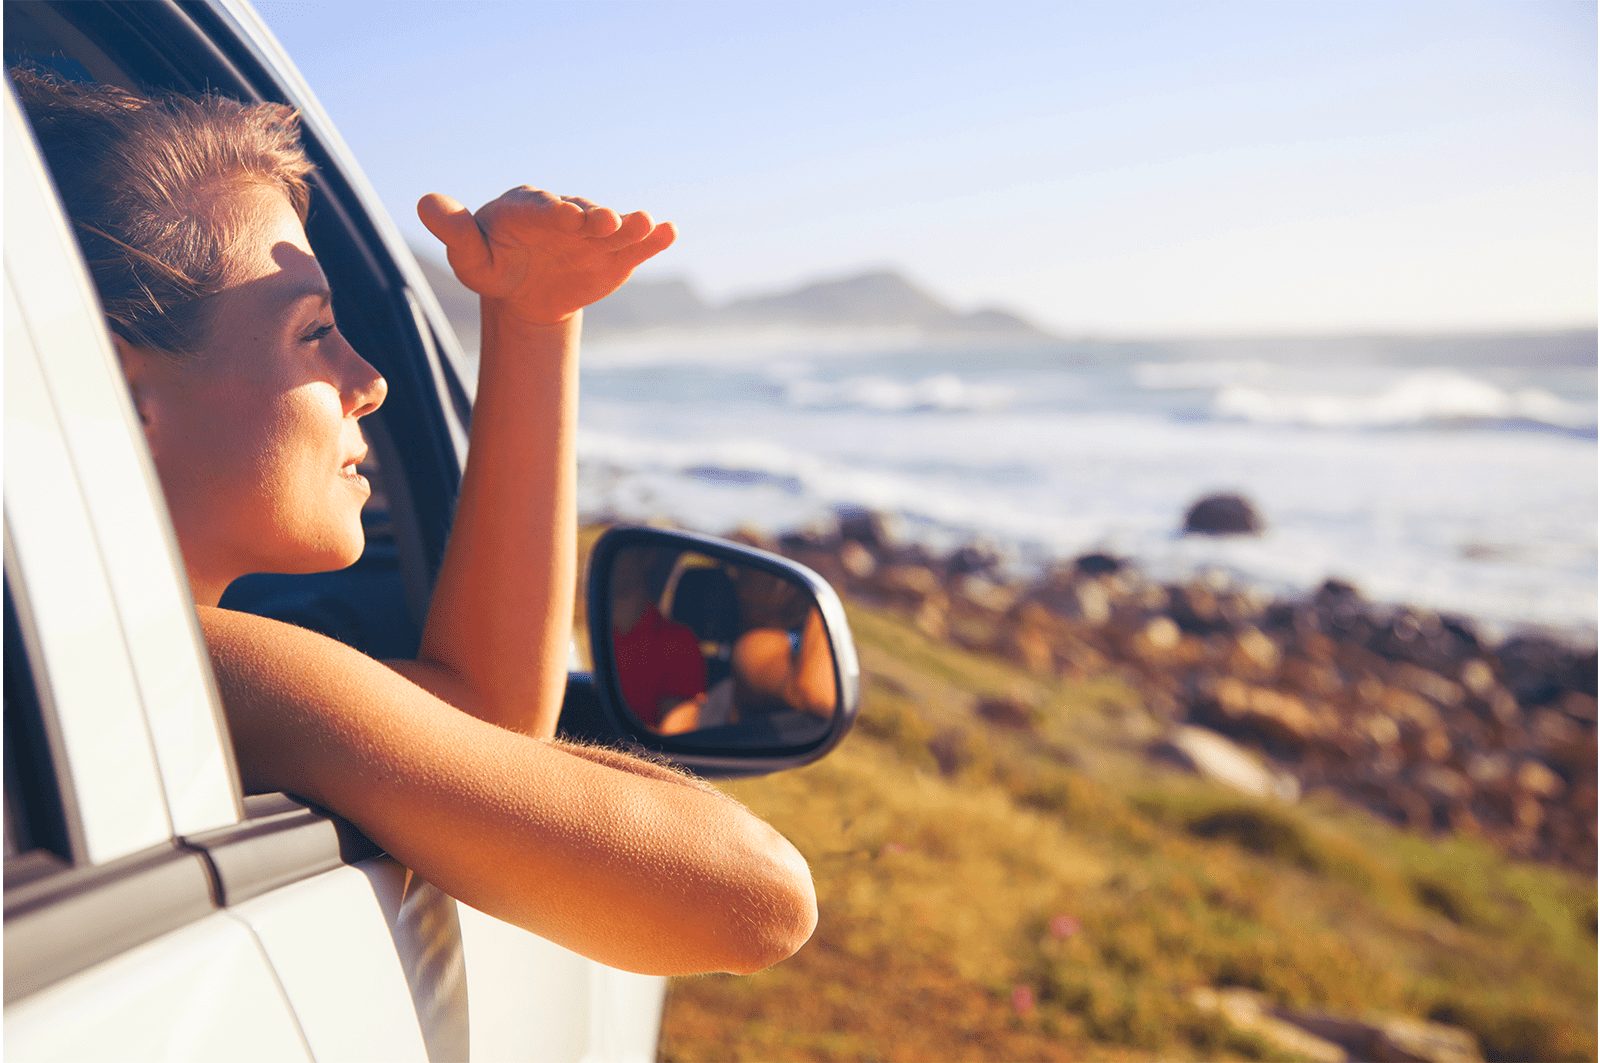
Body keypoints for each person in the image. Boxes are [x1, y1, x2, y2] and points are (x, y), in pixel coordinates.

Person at [10, 68, 816, 977]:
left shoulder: (92, 659)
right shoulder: (202, 660)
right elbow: (758, 897)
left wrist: (533, 322)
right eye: (315, 332)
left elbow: (483, 719)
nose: (369, 381)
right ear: (126, 396)